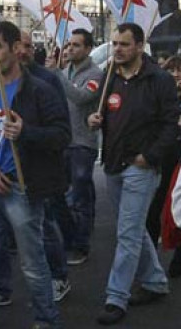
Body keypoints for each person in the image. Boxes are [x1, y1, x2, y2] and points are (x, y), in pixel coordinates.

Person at [0, 21, 68, 329]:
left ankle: (45, 320)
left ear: (15, 48)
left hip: (23, 188)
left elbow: (61, 136)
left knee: (33, 265)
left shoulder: (40, 89)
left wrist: (26, 132)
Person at [87, 23, 176, 325]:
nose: (117, 49)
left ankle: (116, 297)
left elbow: (171, 124)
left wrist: (149, 157)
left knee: (126, 233)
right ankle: (154, 281)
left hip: (140, 168)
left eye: (124, 44)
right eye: (114, 44)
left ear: (140, 46)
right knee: (133, 228)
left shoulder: (159, 79)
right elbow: (102, 112)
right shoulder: (109, 76)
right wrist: (95, 119)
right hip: (113, 165)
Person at [0, 29, 72, 306]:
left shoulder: (47, 80)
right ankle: (2, 287)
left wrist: (27, 132)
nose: (23, 51)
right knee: (1, 231)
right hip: (4, 172)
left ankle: (58, 275)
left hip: (38, 171)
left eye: (27, 46)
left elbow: (61, 132)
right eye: (19, 46)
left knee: (45, 225)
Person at [46, 29, 103, 267]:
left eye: (76, 45)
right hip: (63, 141)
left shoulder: (96, 74)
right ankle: (69, 236)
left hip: (82, 143)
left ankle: (81, 244)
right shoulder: (64, 70)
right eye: (69, 45)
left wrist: (58, 76)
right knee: (57, 193)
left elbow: (80, 97)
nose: (70, 49)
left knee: (80, 193)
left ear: (88, 49)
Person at [148, 56, 181, 278]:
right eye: (172, 70)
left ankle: (178, 256)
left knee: (180, 207)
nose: (176, 74)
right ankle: (151, 258)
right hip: (162, 159)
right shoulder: (160, 97)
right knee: (155, 207)